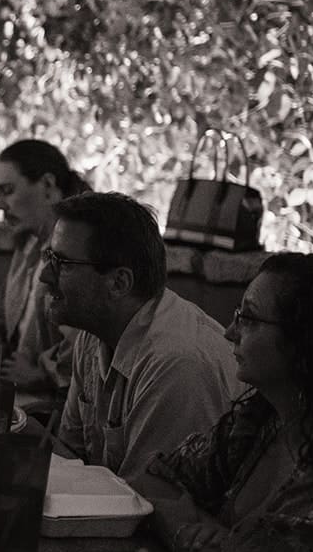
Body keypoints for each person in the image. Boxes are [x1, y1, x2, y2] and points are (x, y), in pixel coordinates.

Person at [133, 254, 313, 552]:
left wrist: (180, 523)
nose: (230, 331)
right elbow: (150, 480)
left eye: (248, 318)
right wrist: (213, 535)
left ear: (303, 340)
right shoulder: (259, 420)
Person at [42, 192, 236, 483]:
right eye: (49, 258)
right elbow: (70, 458)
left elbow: (148, 500)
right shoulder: (93, 335)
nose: (45, 275)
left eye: (64, 263)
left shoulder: (176, 363)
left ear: (119, 283)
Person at [0, 139, 86, 410]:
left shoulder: (81, 252)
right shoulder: (28, 245)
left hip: (58, 411)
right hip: (15, 397)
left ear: (48, 186)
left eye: (8, 190)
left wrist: (43, 374)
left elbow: (91, 341)